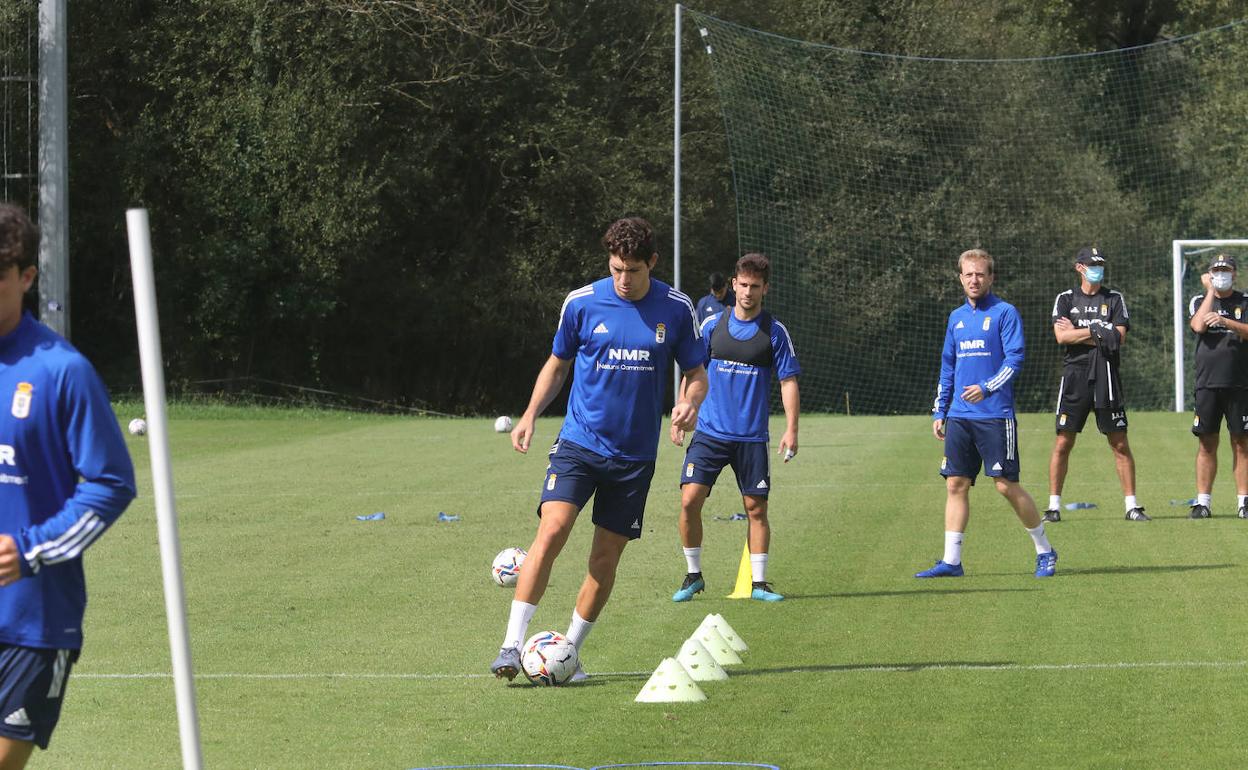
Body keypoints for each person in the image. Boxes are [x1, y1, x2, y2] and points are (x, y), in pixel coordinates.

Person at [490, 217, 708, 681]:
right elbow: (557, 364)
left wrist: (689, 402)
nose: (623, 280)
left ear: (651, 262)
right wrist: (530, 414)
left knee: (603, 560)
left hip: (634, 460)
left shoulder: (677, 307)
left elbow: (697, 373)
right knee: (552, 529)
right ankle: (510, 646)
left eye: (632, 270)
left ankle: (568, 651)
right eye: (615, 269)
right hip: (579, 442)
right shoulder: (582, 303)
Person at [0, 202, 136, 767]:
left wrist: (30, 548)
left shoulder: (62, 371)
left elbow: (110, 484)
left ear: (26, 277)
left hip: (33, 619)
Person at [670, 253, 800, 603]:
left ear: (765, 289)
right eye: (743, 285)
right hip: (710, 434)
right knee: (689, 501)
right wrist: (683, 410)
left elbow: (788, 382)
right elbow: (693, 372)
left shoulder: (774, 331)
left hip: (751, 438)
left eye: (755, 286)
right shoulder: (713, 326)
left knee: (756, 508)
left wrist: (792, 429)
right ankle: (693, 574)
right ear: (733, 284)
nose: (747, 292)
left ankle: (759, 584)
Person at [919, 248, 1057, 579]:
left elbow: (1015, 360)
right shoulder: (955, 318)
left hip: (995, 414)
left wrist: (987, 387)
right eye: (968, 274)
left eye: (980, 273)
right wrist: (941, 409)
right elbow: (947, 367)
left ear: (991, 277)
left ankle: (1045, 550)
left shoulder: (1005, 313)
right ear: (961, 278)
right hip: (959, 417)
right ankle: (952, 561)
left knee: (1005, 485)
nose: (974, 279)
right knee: (956, 483)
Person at [1044, 247, 1148, 523]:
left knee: (1120, 443)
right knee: (1064, 441)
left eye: (1100, 263)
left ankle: (1131, 506)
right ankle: (1053, 507)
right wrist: (1099, 331)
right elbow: (1061, 338)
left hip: (1107, 375)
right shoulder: (1066, 299)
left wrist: (1081, 332)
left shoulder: (1114, 299)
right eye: (1092, 264)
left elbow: (1120, 337)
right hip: (1075, 377)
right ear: (1079, 267)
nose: (1097, 268)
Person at [1186, 253, 1248, 519]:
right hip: (1207, 384)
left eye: (1226, 270)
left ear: (1234, 273)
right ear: (1210, 274)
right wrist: (1211, 291)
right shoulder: (1199, 301)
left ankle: (1244, 502)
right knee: (1207, 443)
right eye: (1216, 270)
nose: (1221, 273)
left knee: (1241, 443)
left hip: (1240, 384)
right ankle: (1203, 503)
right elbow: (1198, 325)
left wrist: (1225, 322)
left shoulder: (1244, 300)